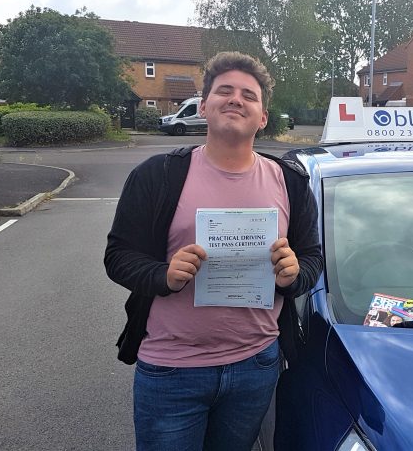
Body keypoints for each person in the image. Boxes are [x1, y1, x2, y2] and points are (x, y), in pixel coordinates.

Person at [104, 51, 322, 451]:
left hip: (255, 365)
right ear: (204, 107)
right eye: (224, 91)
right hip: (172, 369)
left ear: (263, 117)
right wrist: (163, 275)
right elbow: (118, 257)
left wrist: (295, 273)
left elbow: (312, 258)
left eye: (248, 95)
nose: (236, 99)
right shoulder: (158, 175)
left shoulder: (290, 182)